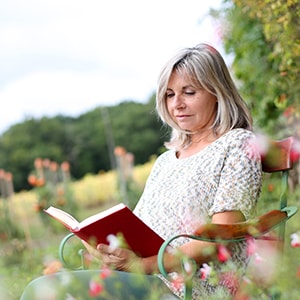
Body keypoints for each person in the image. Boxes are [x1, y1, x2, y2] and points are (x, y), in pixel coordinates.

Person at [84, 43, 262, 299]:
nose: (177, 104)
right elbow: (137, 228)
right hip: (144, 276)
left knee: (45, 290)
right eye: (169, 95)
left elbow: (221, 238)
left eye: (188, 92)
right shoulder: (166, 161)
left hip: (190, 285)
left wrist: (142, 266)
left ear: (217, 92)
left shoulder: (238, 145)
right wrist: (103, 246)